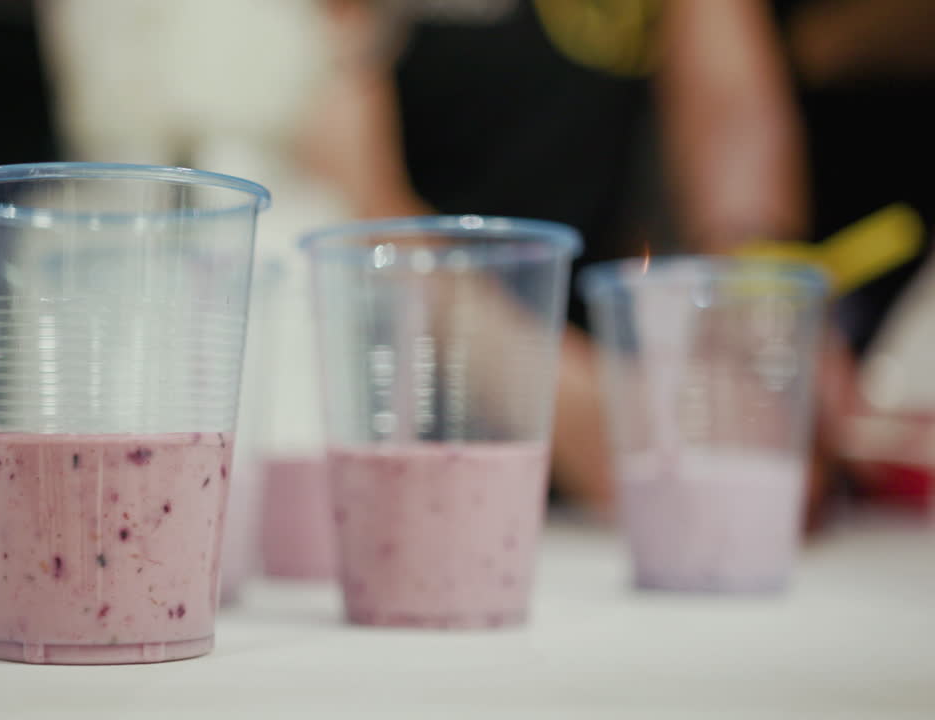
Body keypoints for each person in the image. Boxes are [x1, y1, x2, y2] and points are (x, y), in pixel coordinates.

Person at [305, 0, 933, 516]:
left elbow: (728, 111)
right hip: (374, 393)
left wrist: (763, 299)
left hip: (579, 399)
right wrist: (583, 407)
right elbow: (339, 165)